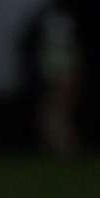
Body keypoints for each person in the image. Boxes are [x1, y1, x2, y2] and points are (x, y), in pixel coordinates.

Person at [36, 9, 81, 156]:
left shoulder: (62, 47)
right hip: (58, 70)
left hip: (62, 71)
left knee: (58, 112)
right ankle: (61, 145)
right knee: (53, 112)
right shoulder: (54, 48)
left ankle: (64, 146)